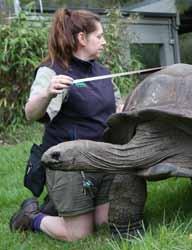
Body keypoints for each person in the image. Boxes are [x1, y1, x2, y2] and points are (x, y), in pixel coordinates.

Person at [9, 8, 123, 241]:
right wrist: (47, 94)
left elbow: (119, 108)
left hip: (102, 159)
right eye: (99, 36)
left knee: (106, 223)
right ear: (82, 38)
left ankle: (62, 206)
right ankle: (31, 216)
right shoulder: (52, 71)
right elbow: (31, 113)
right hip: (69, 164)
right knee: (79, 235)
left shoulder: (103, 72)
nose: (104, 42)